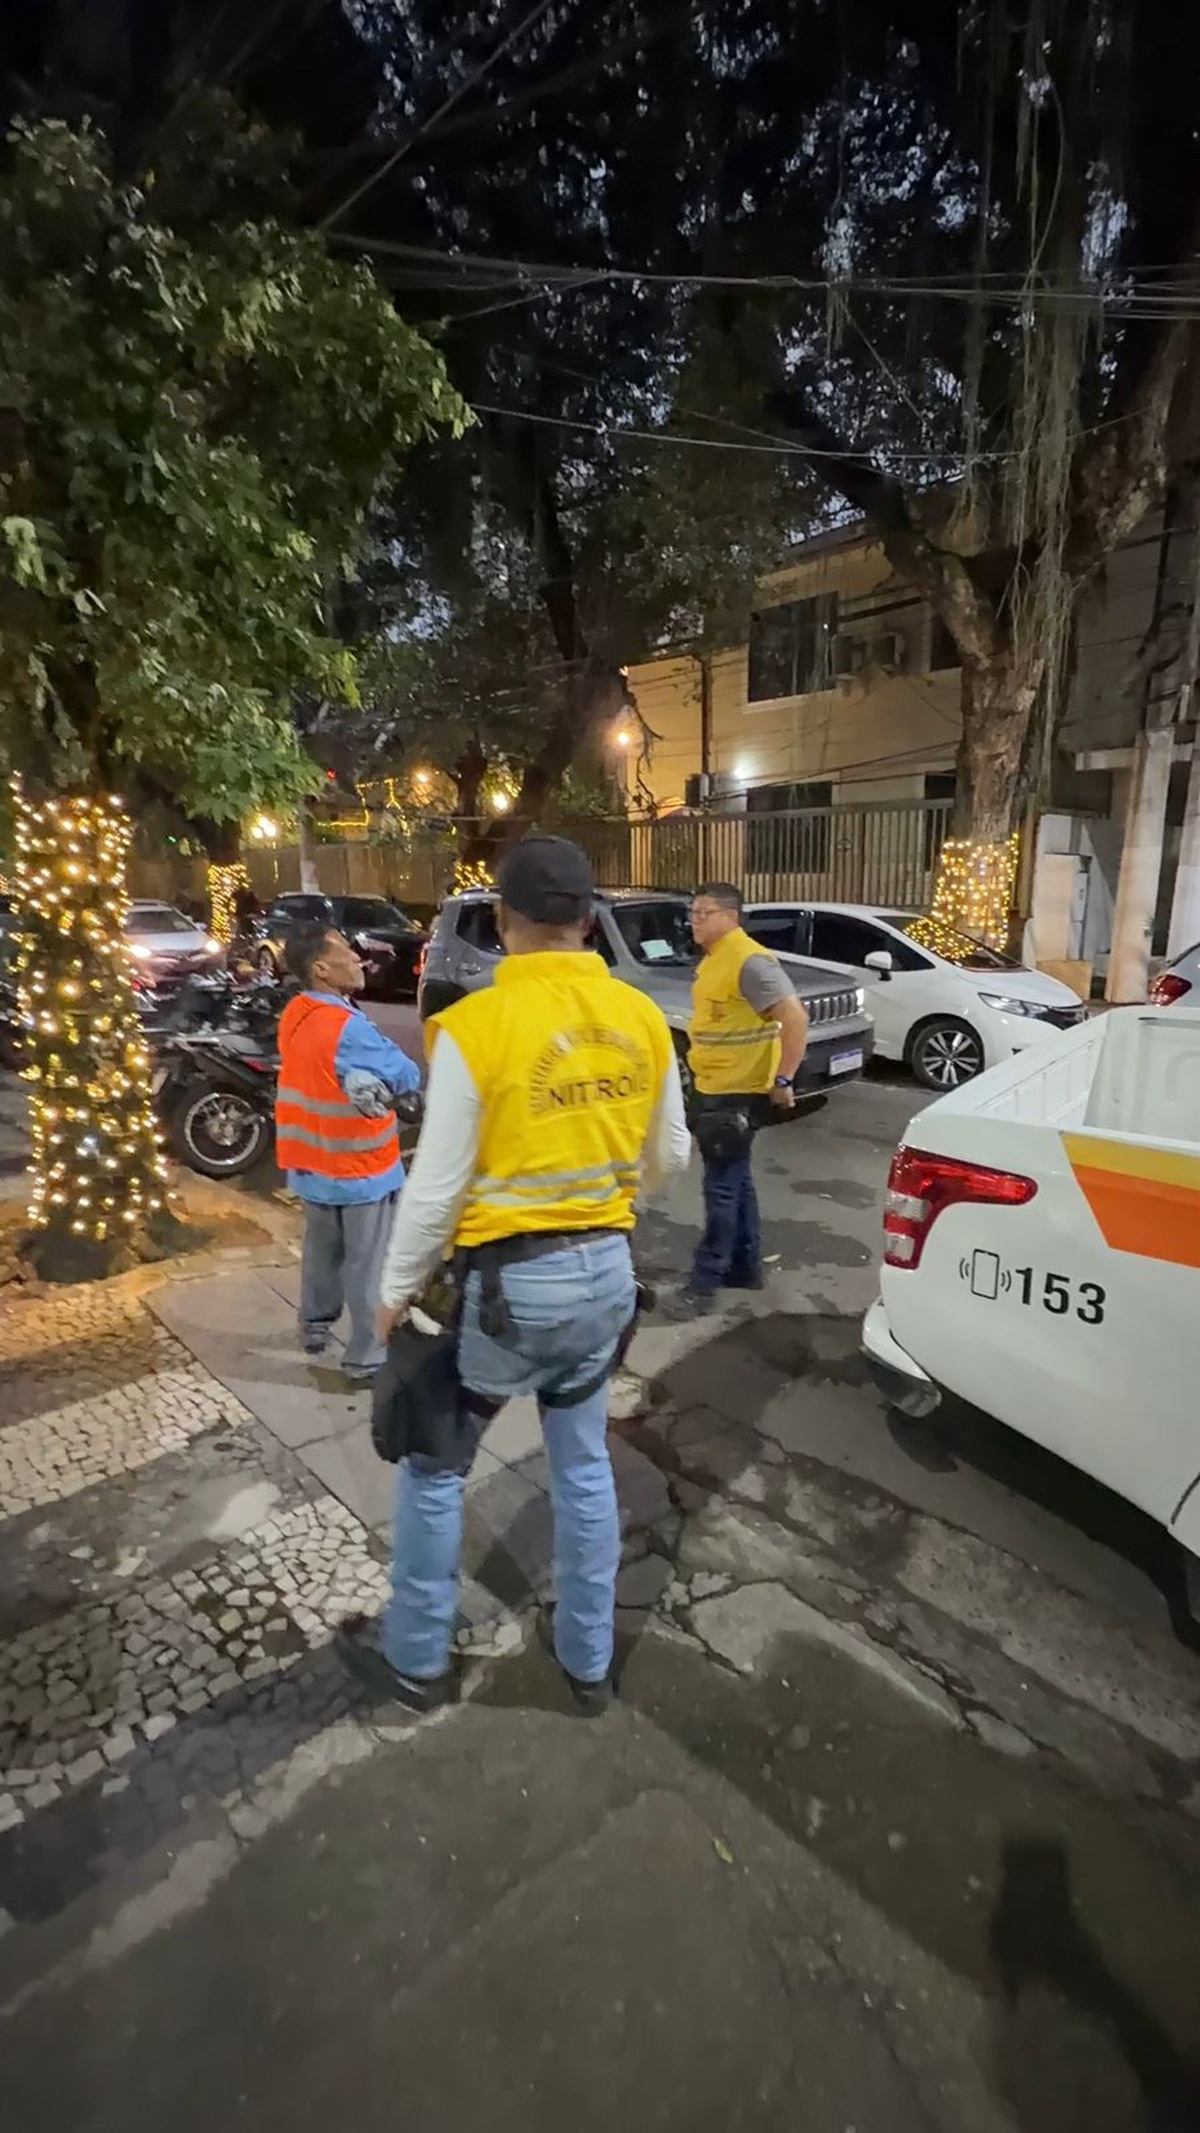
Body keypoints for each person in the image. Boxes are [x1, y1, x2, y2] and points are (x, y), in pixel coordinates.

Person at [337, 835, 690, 1717]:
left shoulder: (482, 1025)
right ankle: (588, 1662)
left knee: (434, 1467)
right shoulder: (644, 1018)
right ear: (587, 918)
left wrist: (391, 1293)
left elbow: (438, 1184)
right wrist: (604, 1196)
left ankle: (416, 1660)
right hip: (607, 1278)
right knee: (581, 1468)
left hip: (507, 1294)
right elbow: (671, 1156)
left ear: (503, 922)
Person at [275, 921, 422, 1380]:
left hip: (311, 1164)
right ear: (322, 968)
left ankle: (314, 1328)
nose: (358, 959)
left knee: (321, 1256)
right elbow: (406, 1075)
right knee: (366, 1266)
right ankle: (366, 1357)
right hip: (359, 1169)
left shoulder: (296, 1014)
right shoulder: (347, 1029)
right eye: (346, 953)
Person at [675, 881, 808, 1313]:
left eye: (703, 912)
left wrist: (784, 1079)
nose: (694, 920)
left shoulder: (749, 961)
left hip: (737, 1094)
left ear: (730, 915)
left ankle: (704, 1282)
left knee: (722, 1190)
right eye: (692, 912)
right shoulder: (718, 959)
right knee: (737, 1181)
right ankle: (745, 1267)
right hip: (713, 1088)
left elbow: (794, 1016)